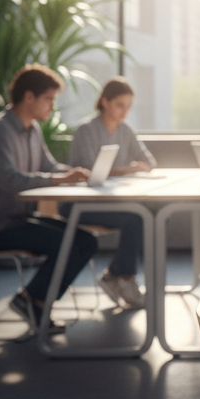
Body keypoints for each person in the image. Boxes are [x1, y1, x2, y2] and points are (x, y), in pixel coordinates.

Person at [0, 64, 96, 335]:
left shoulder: (33, 130)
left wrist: (74, 174)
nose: (52, 107)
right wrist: (59, 179)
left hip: (18, 219)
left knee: (86, 241)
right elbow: (10, 180)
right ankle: (31, 301)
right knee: (68, 244)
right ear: (29, 97)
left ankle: (33, 300)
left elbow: (48, 167)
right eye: (48, 99)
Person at [67, 76, 156, 309]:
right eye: (120, 105)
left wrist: (135, 168)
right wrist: (128, 170)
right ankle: (123, 277)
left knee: (148, 213)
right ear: (104, 102)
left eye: (128, 106)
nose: (125, 112)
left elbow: (149, 162)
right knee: (137, 219)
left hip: (115, 201)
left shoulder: (126, 130)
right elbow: (87, 171)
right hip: (81, 204)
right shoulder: (86, 130)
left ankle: (117, 275)